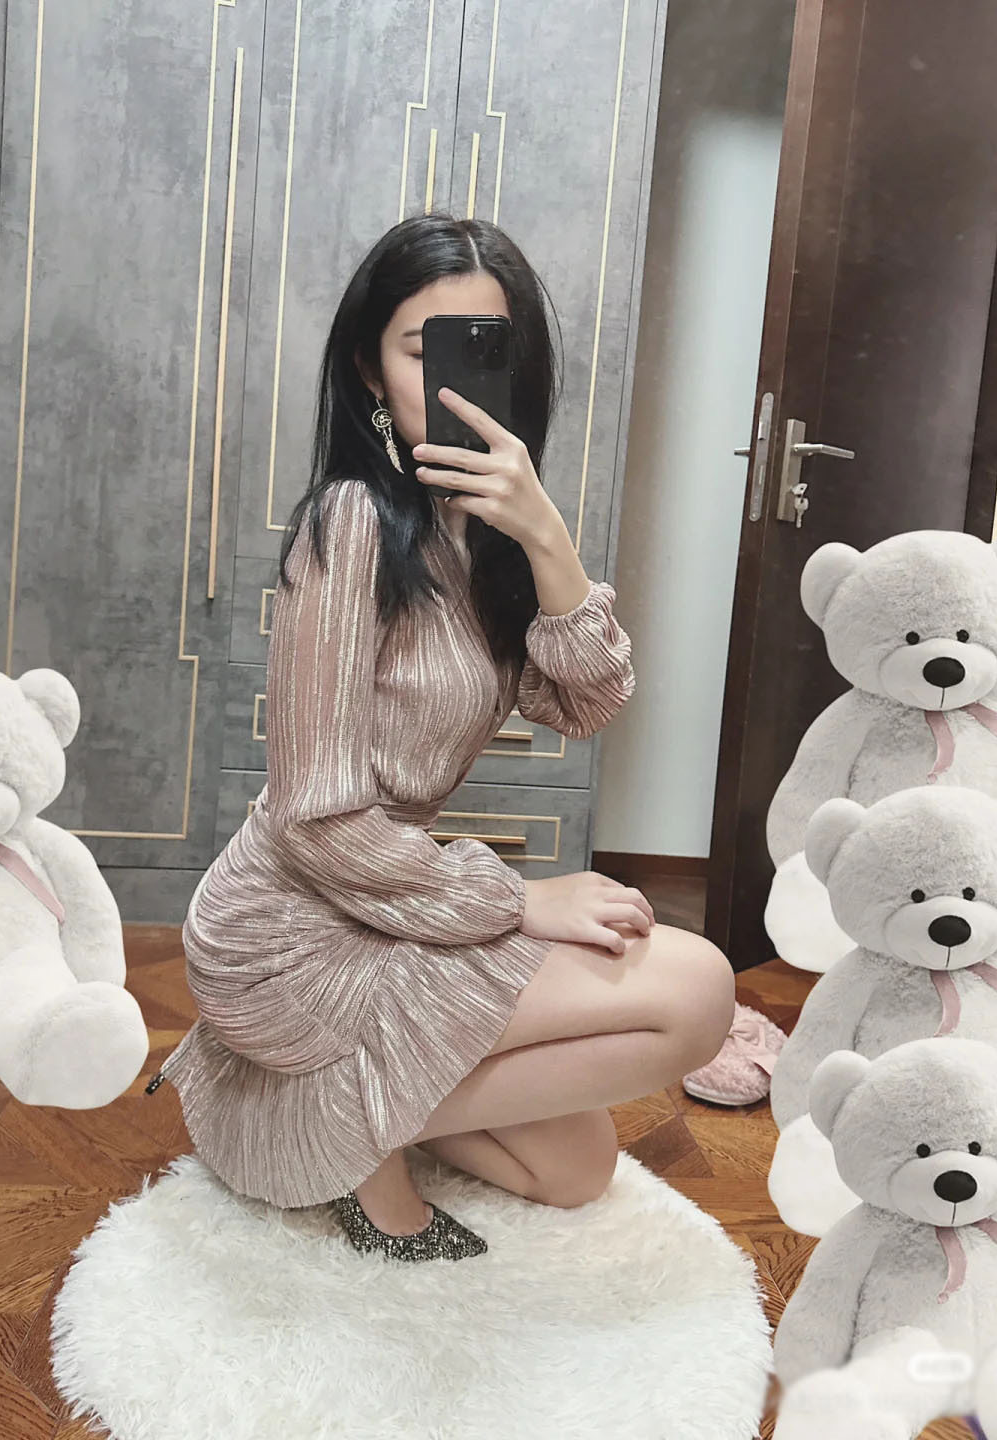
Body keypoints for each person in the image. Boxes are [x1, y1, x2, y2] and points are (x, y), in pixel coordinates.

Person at [153, 213, 737, 1263]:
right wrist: (519, 901)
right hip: (297, 924)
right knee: (695, 991)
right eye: (422, 351)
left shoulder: (491, 535)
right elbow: (315, 820)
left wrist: (546, 535)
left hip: (399, 901)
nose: (453, 383)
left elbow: (587, 704)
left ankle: (305, 1104)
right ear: (371, 371)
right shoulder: (350, 523)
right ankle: (306, 1101)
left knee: (573, 1172)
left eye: (483, 351)